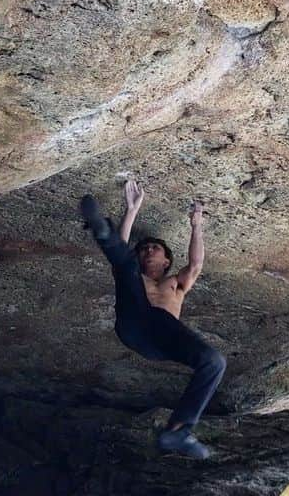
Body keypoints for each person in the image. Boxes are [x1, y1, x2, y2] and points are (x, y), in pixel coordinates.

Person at [79, 180, 226, 459]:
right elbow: (124, 254)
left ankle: (178, 431)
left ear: (167, 261)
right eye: (144, 247)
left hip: (161, 339)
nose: (147, 250)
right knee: (124, 266)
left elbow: (195, 265)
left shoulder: (176, 284)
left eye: (154, 248)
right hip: (133, 324)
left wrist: (197, 225)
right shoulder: (136, 274)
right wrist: (131, 210)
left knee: (215, 361)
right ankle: (102, 232)